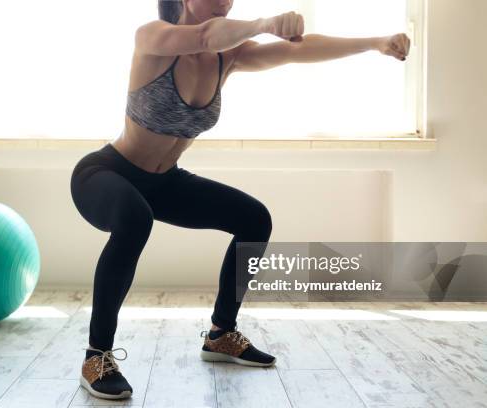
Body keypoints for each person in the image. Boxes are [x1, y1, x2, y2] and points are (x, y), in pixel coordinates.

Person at [70, 0, 410, 400]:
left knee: (253, 219)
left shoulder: (228, 56)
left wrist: (376, 42)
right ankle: (97, 356)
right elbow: (202, 35)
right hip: (107, 174)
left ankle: (221, 334)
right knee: (135, 218)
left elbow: (298, 50)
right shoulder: (152, 37)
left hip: (164, 182)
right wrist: (265, 23)